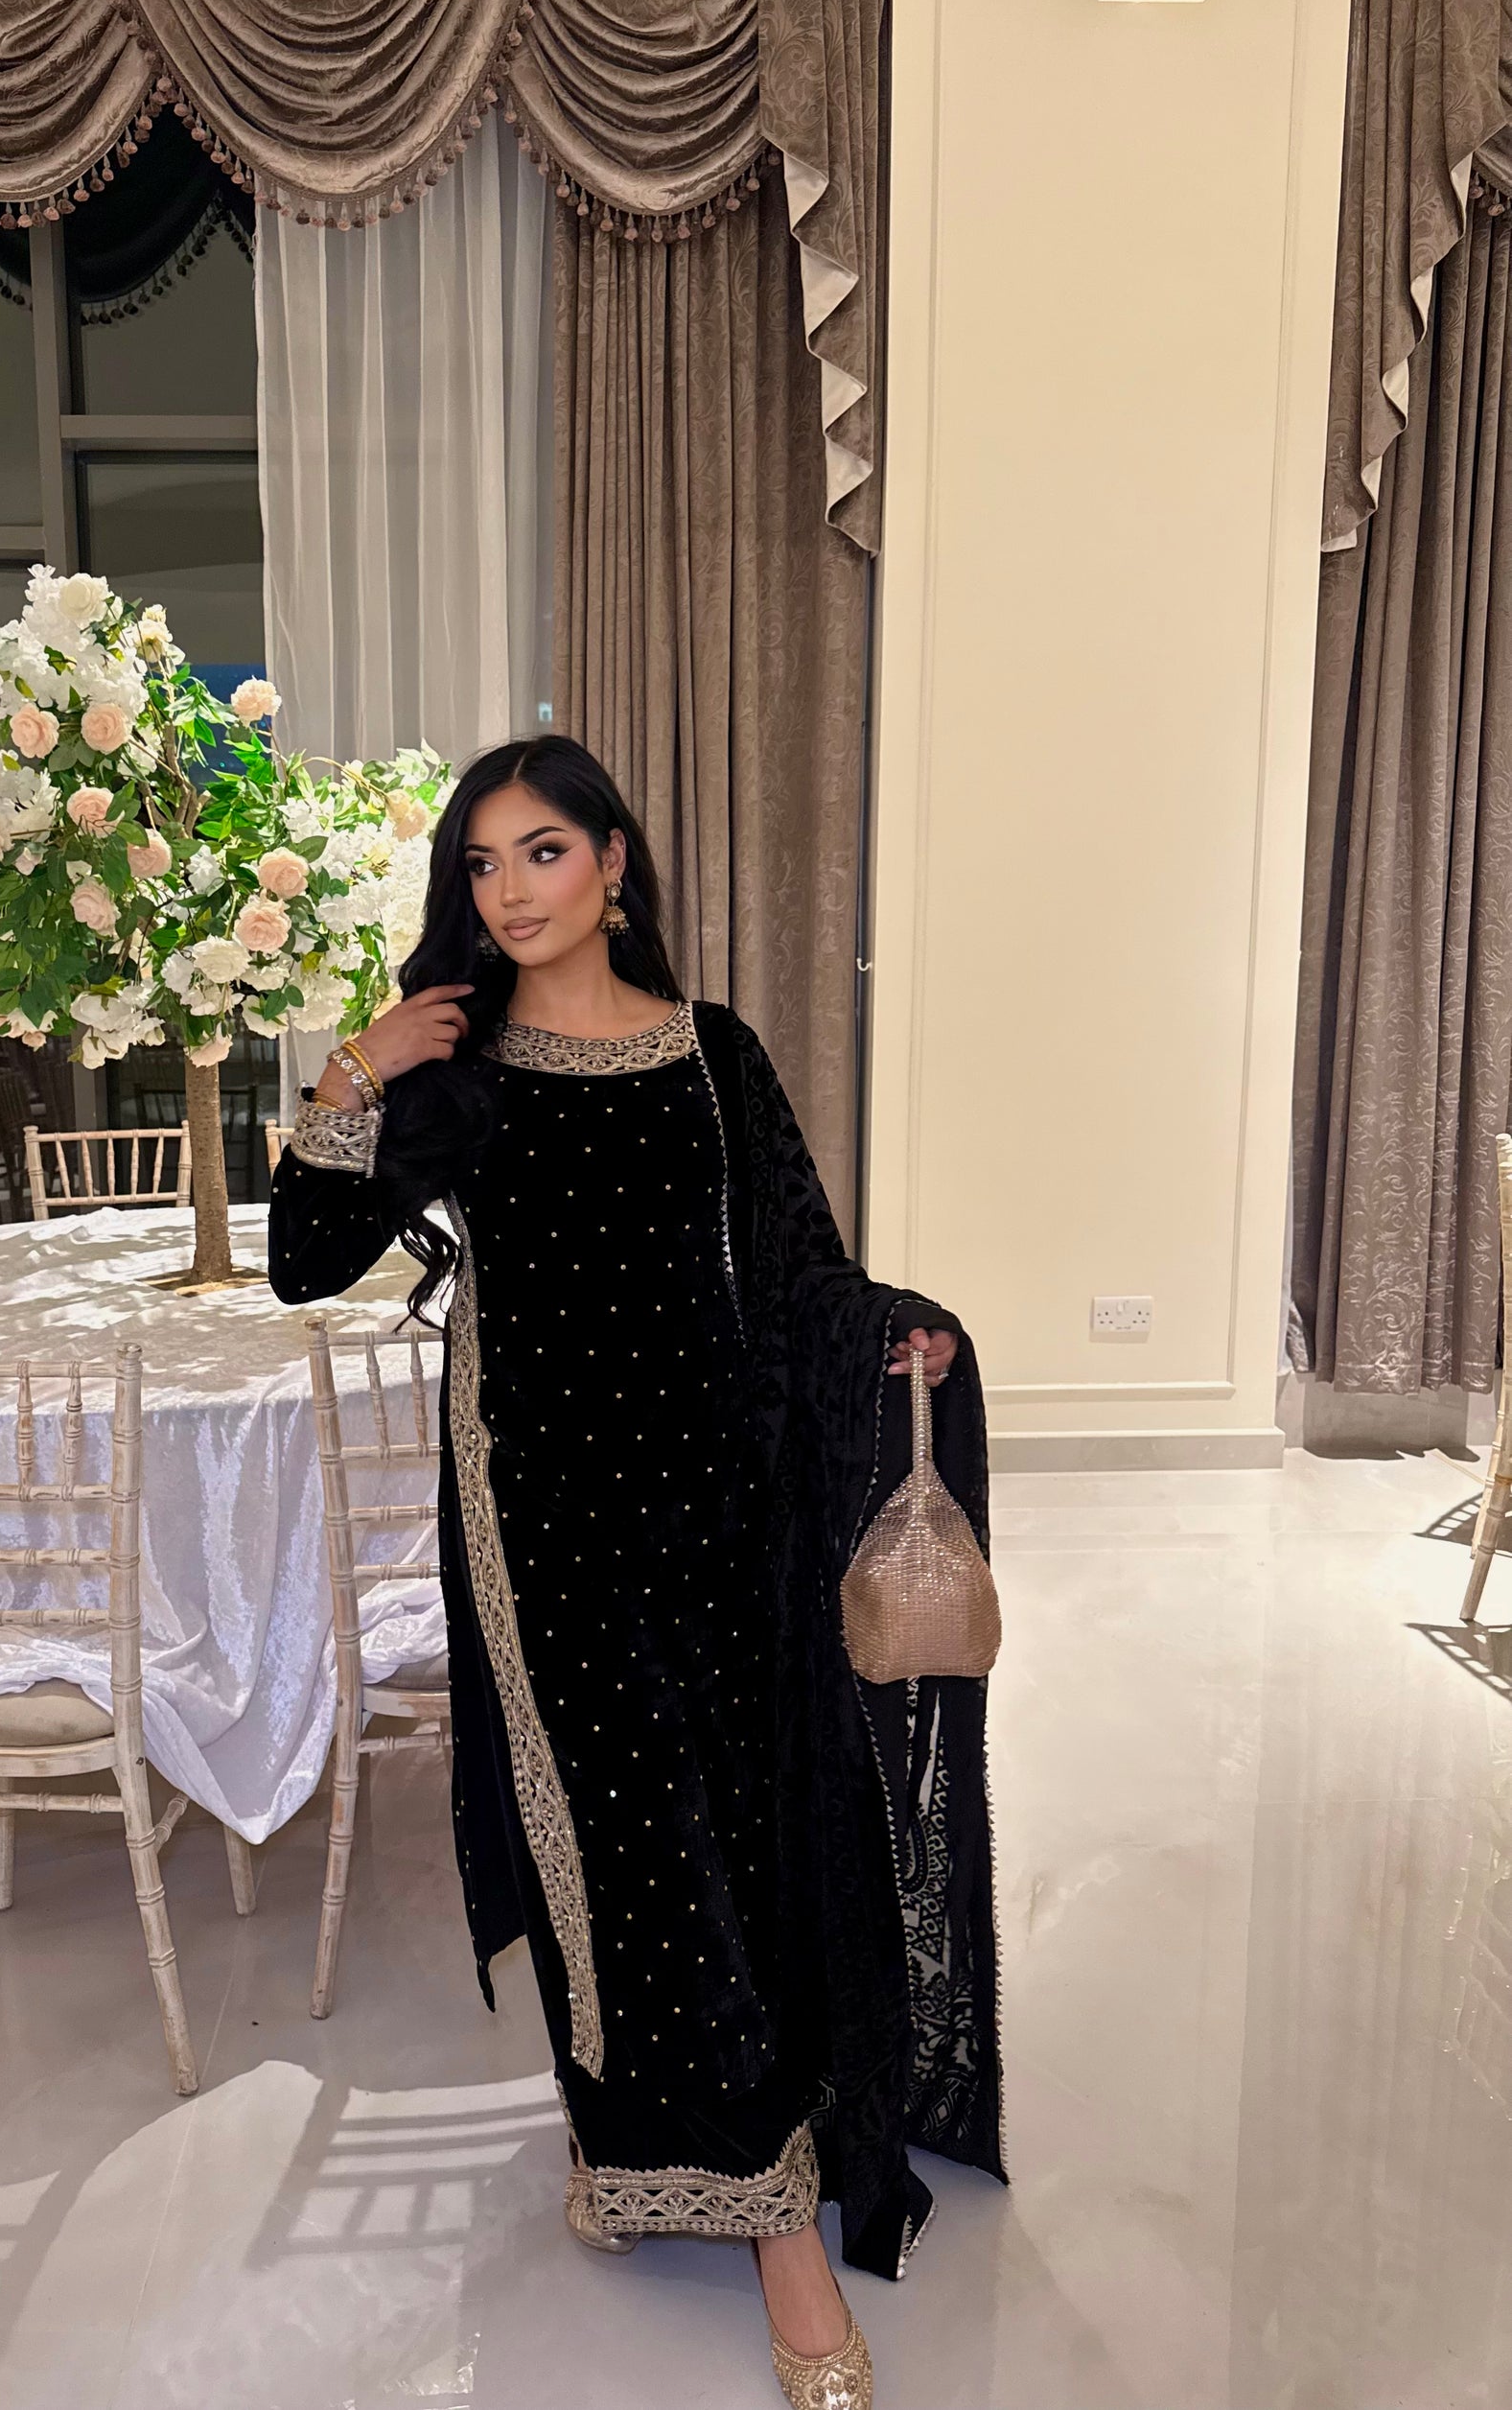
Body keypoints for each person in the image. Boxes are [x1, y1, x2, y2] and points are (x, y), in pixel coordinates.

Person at [269, 737, 1003, 2409]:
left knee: (740, 1844)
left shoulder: (712, 1054)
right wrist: (353, 1070)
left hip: (730, 1523)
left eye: (540, 852)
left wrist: (897, 1333)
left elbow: (803, 1271)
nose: (508, 892)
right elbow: (304, 1263)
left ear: (612, 862)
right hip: (549, 1535)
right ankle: (778, 2241)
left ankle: (657, 2151)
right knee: (639, 1855)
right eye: (479, 865)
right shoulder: (459, 1072)